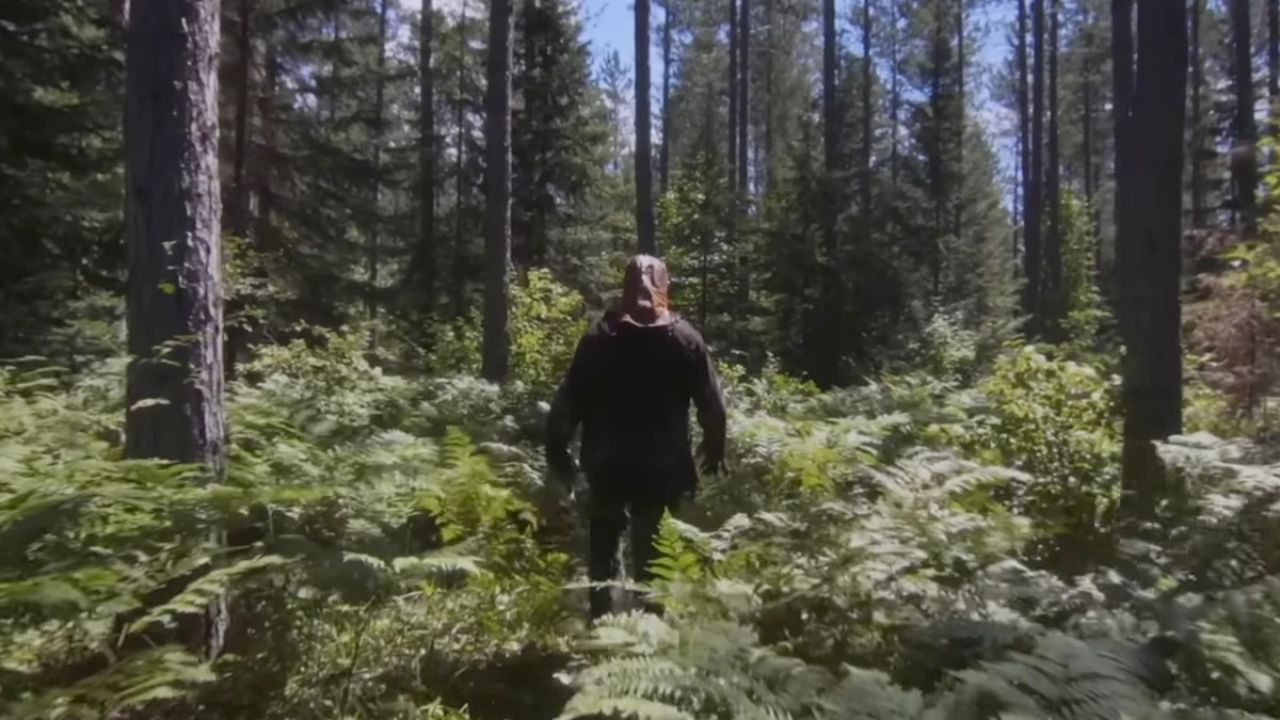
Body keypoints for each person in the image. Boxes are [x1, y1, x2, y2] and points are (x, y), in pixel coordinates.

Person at [545, 255, 727, 619]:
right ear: (665, 289)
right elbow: (713, 405)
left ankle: (603, 627)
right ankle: (650, 633)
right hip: (663, 469)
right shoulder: (685, 339)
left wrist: (559, 453)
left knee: (604, 551)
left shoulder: (600, 338)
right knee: (655, 554)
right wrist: (714, 448)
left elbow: (568, 402)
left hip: (606, 465)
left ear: (625, 289)